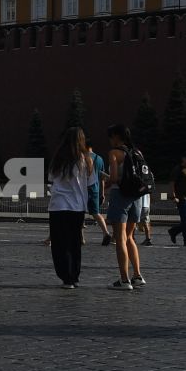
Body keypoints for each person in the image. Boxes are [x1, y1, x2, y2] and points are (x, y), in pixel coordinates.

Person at [100, 125, 147, 291]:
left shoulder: (114, 153)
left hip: (121, 196)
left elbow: (113, 177)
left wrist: (104, 184)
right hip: (137, 198)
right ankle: (138, 276)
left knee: (119, 238)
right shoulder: (137, 152)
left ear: (116, 137)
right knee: (130, 237)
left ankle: (124, 279)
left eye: (110, 137)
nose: (110, 140)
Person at [46, 127, 93, 288]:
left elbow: (51, 178)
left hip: (58, 205)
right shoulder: (86, 159)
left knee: (60, 243)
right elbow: (91, 183)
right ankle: (74, 275)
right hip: (78, 207)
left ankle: (65, 276)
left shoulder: (58, 157)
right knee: (74, 242)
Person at [168, 154, 186, 246]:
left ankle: (174, 231)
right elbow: (172, 182)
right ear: (183, 158)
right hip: (181, 198)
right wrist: (173, 195)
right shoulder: (178, 169)